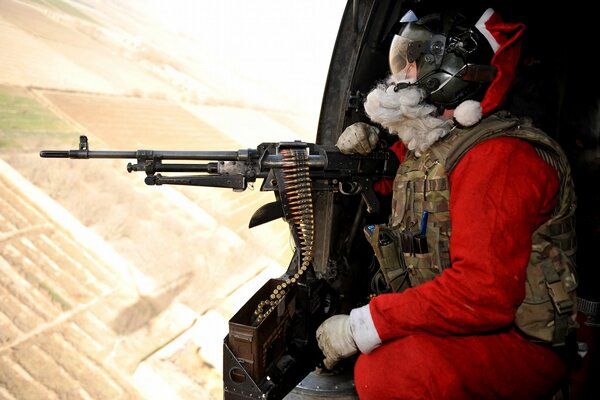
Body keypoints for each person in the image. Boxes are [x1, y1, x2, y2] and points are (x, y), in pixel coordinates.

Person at [316, 7, 578, 400]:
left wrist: (363, 326)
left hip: (523, 343)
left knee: (389, 371)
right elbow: (423, 194)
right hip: (473, 324)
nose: (399, 76)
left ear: (453, 70)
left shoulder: (499, 158)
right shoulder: (443, 145)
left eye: (412, 63)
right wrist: (364, 163)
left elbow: (482, 294)